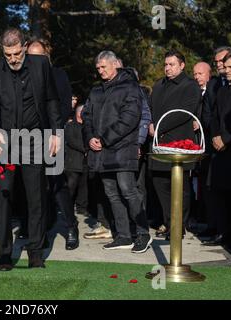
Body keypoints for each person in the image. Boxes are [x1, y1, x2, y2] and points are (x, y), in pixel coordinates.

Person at [0, 28, 62, 270]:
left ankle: (35, 252)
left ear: (25, 47)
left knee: (36, 197)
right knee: (2, 196)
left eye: (17, 53)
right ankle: (5, 254)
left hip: (34, 139)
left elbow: (51, 99)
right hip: (5, 142)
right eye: (8, 55)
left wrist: (55, 132)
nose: (13, 59)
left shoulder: (40, 65)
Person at [83, 51, 151, 253]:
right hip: (101, 152)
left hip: (122, 149)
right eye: (98, 68)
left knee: (128, 191)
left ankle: (143, 233)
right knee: (111, 193)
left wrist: (104, 139)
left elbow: (130, 118)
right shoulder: (96, 91)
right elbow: (86, 116)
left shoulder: (130, 87)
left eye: (103, 67)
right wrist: (90, 138)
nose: (100, 71)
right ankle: (123, 236)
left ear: (115, 65)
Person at [26, 37, 79, 250]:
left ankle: (70, 226)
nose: (33, 60)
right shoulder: (24, 76)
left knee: (57, 184)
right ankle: (42, 230)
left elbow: (65, 105)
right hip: (29, 138)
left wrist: (54, 133)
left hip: (51, 137)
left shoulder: (57, 75)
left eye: (37, 56)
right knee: (36, 187)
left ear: (46, 56)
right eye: (30, 56)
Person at [148, 50, 201, 240]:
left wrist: (159, 125)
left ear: (182, 65)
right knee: (159, 183)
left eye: (171, 64)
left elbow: (185, 112)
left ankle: (179, 225)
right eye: (166, 64)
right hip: (159, 145)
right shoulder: (159, 85)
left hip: (180, 144)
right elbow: (150, 107)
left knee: (180, 187)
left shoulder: (190, 86)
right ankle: (170, 222)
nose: (167, 68)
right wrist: (150, 124)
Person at [201, 52, 231, 247]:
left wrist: (226, 139)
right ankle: (223, 232)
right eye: (226, 67)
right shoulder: (222, 91)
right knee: (220, 193)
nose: (226, 70)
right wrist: (215, 136)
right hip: (219, 149)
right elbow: (214, 116)